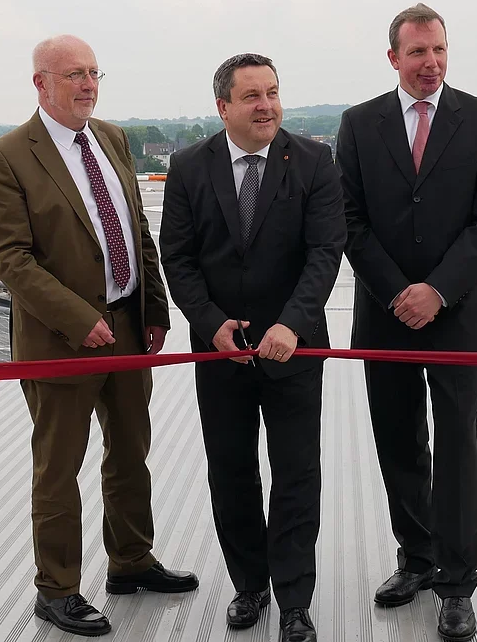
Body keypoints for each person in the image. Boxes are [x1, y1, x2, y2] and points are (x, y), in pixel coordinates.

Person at [0, 34, 198, 638]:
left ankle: (130, 561)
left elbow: (135, 228)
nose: (87, 85)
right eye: (73, 74)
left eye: (94, 73)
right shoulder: (8, 157)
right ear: (40, 83)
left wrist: (154, 307)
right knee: (59, 468)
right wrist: (79, 318)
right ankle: (57, 590)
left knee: (131, 452)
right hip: (62, 341)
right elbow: (10, 257)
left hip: (128, 327)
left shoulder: (111, 138)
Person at [335, 4, 477, 642]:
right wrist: (397, 292)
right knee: (398, 440)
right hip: (384, 315)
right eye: (418, 52)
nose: (431, 63)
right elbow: (349, 219)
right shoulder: (358, 125)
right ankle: (417, 557)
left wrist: (436, 289)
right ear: (393, 58)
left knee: (457, 445)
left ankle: (458, 585)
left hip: (457, 314)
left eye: (439, 50)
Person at [159, 53, 345, 642]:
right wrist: (210, 322)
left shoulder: (314, 160)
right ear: (223, 107)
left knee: (296, 472)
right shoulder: (188, 166)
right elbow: (178, 258)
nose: (266, 106)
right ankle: (250, 583)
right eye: (251, 97)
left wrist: (293, 322)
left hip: (294, 348)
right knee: (231, 470)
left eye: (272, 93)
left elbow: (325, 251)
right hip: (220, 351)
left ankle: (294, 599)